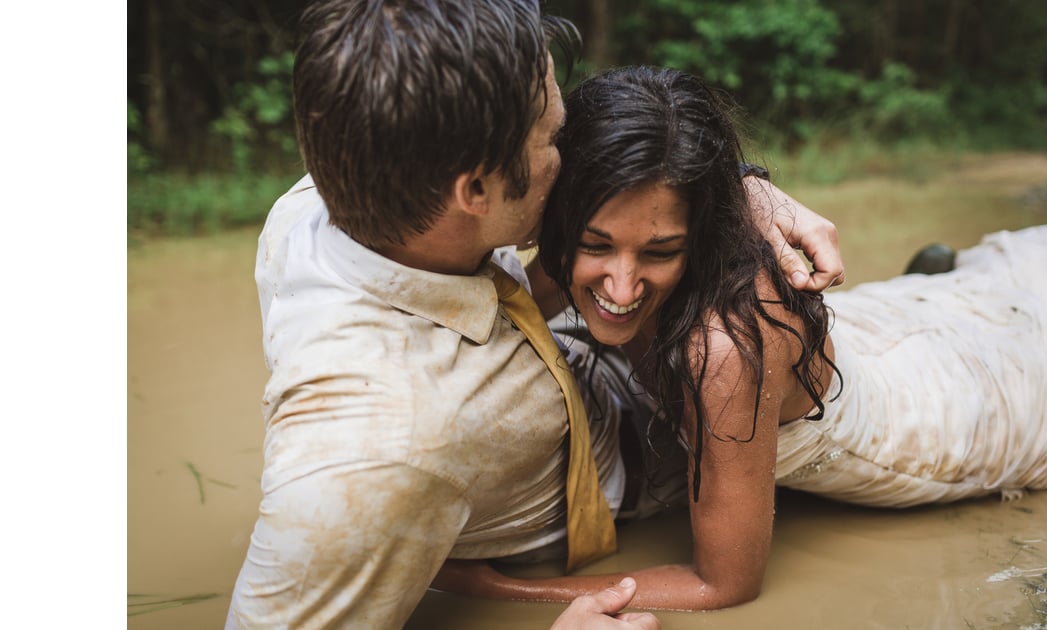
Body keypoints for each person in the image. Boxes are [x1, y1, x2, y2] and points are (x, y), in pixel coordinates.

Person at [226, 2, 846, 627]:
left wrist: (736, 188)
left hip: (633, 362)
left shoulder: (348, 189)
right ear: (474, 191)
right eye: (553, 138)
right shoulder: (374, 454)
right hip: (642, 438)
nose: (567, 148)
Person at [432, 66, 1047, 611]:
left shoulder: (725, 349)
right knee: (973, 297)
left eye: (662, 252)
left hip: (937, 423)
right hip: (876, 331)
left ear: (702, 232)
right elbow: (513, 297)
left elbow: (721, 584)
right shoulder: (605, 220)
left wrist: (502, 587)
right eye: (596, 245)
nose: (622, 289)